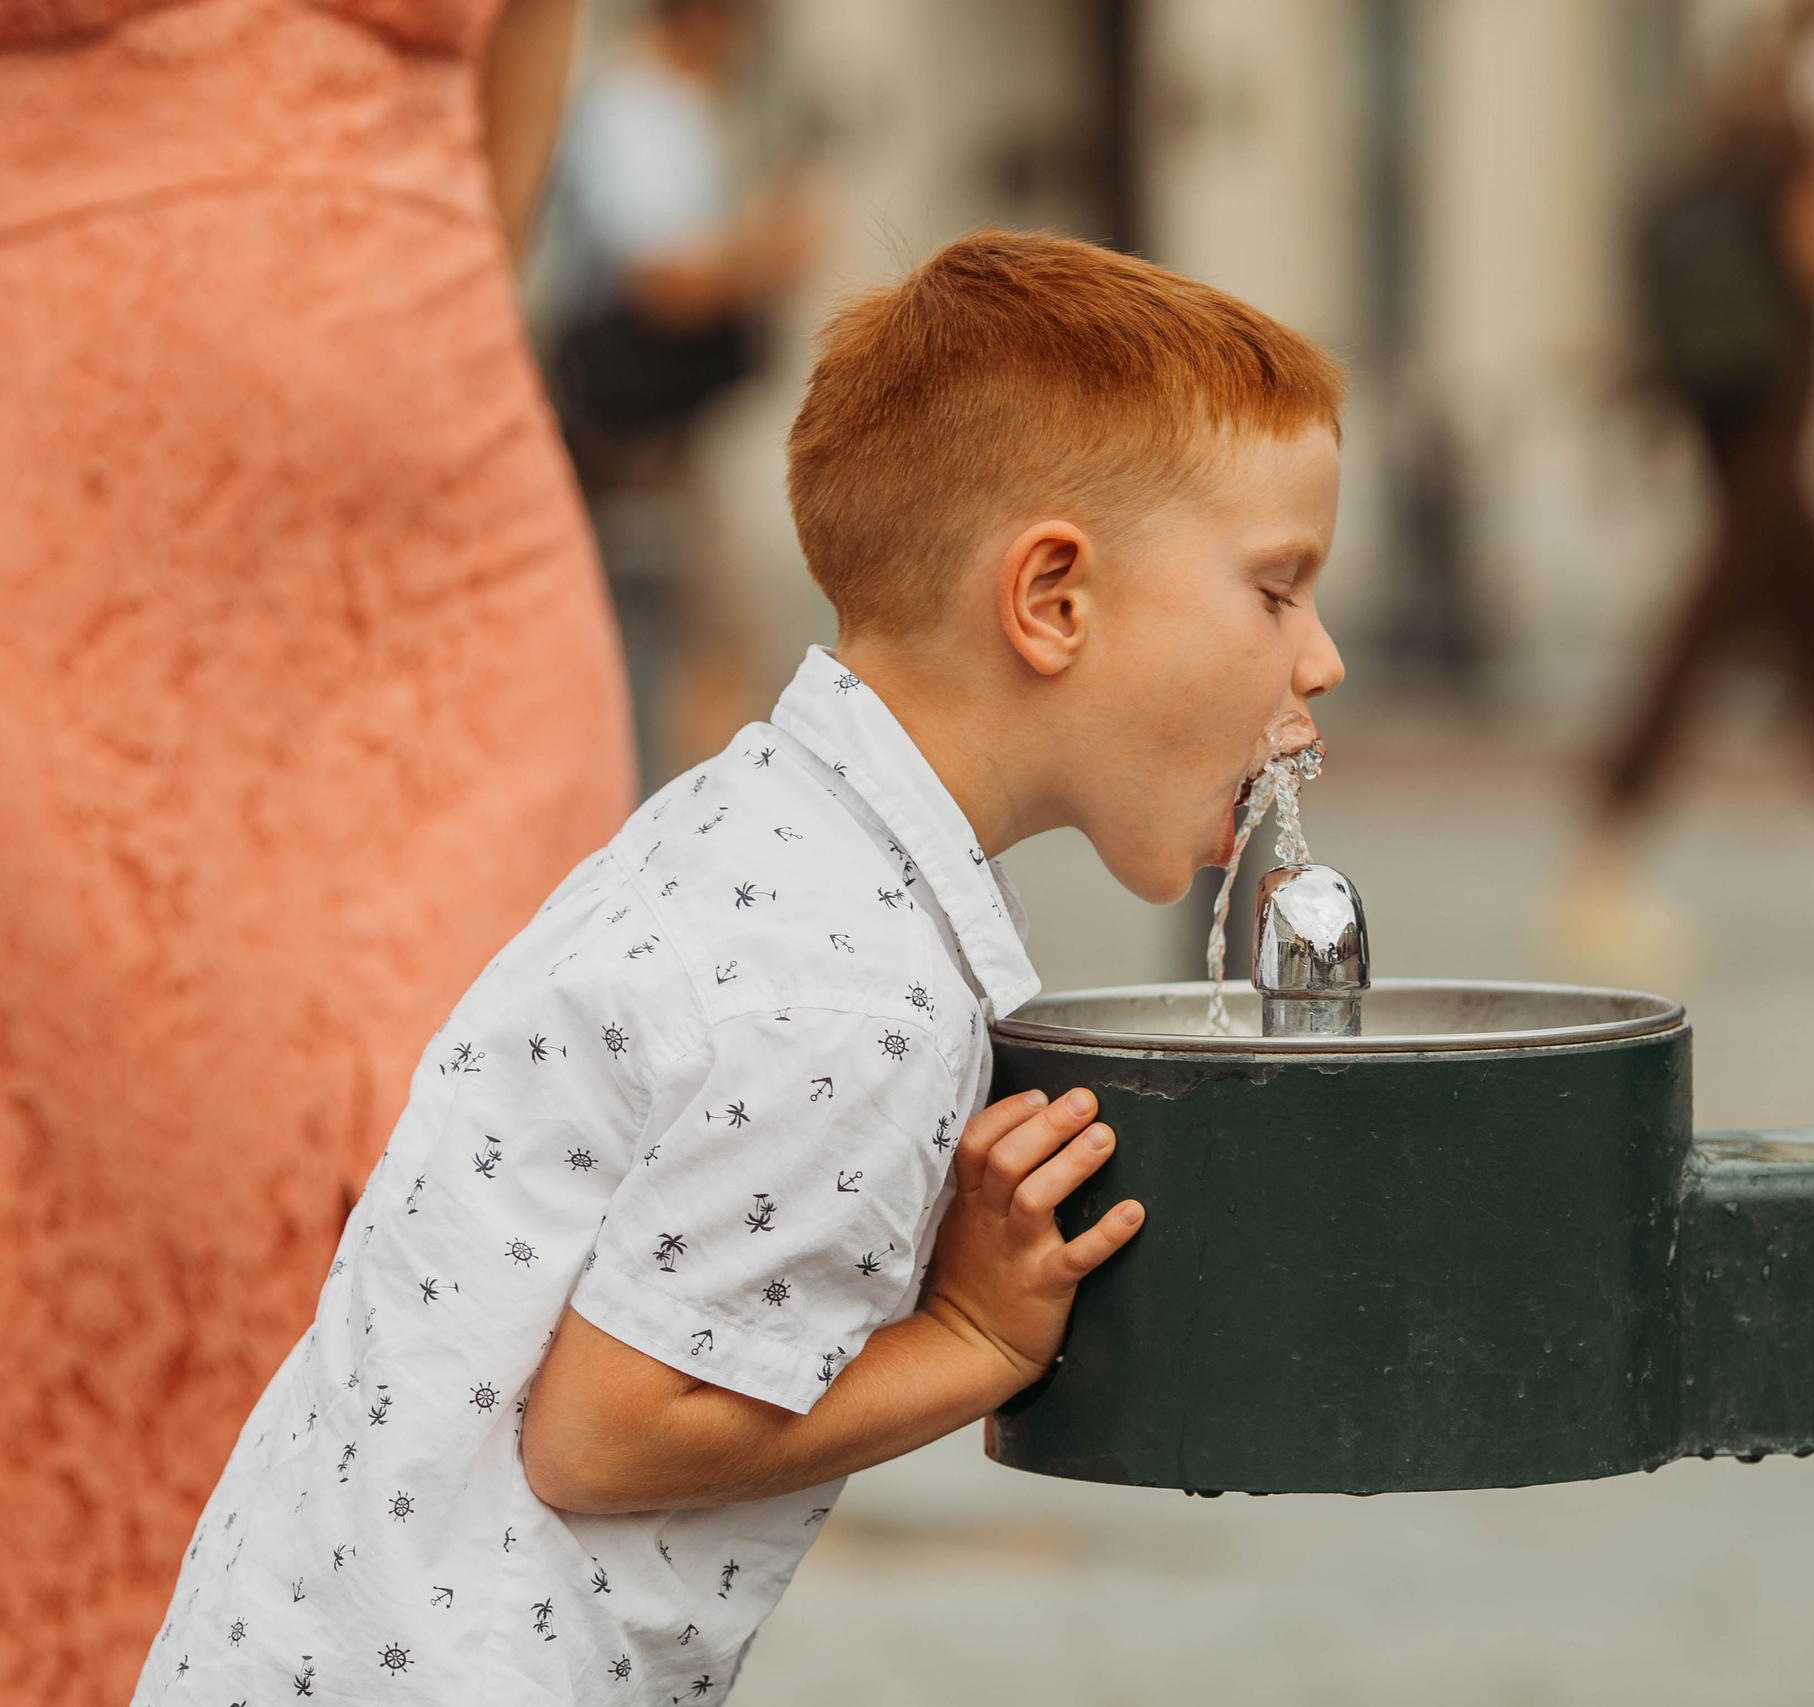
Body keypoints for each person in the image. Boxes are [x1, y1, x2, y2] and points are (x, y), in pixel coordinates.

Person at [133, 230, 1348, 1703]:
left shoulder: (759, 830)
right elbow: (603, 1434)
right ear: (1051, 601)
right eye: (1277, 590)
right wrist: (974, 1338)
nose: (1321, 657)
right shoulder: (853, 990)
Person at [0, 0, 631, 1700]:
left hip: (445, 580)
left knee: (478, 1241)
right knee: (120, 1254)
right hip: (48, 569)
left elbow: (506, 146)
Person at [1559, 0, 1814, 978]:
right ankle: (1599, 859)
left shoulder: (1736, 127)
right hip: (1770, 417)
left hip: (1736, 410)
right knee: (1723, 613)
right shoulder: (1806, 127)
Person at [542, 0, 818, 789]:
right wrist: (765, 254)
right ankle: (704, 813)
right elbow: (662, 277)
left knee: (710, 638)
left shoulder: (663, 103)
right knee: (720, 631)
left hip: (675, 419)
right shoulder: (639, 108)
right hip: (648, 425)